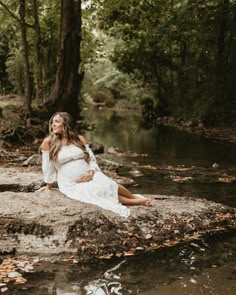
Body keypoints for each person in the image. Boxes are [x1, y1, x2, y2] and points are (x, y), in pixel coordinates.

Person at [39, 112, 152, 218]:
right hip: (71, 182)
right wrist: (49, 185)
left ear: (66, 123)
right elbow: (48, 167)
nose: (53, 125)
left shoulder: (79, 139)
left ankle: (133, 197)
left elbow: (91, 158)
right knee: (97, 192)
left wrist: (91, 172)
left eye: (57, 121)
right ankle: (135, 202)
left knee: (109, 184)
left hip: (89, 173)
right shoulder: (48, 142)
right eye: (52, 122)